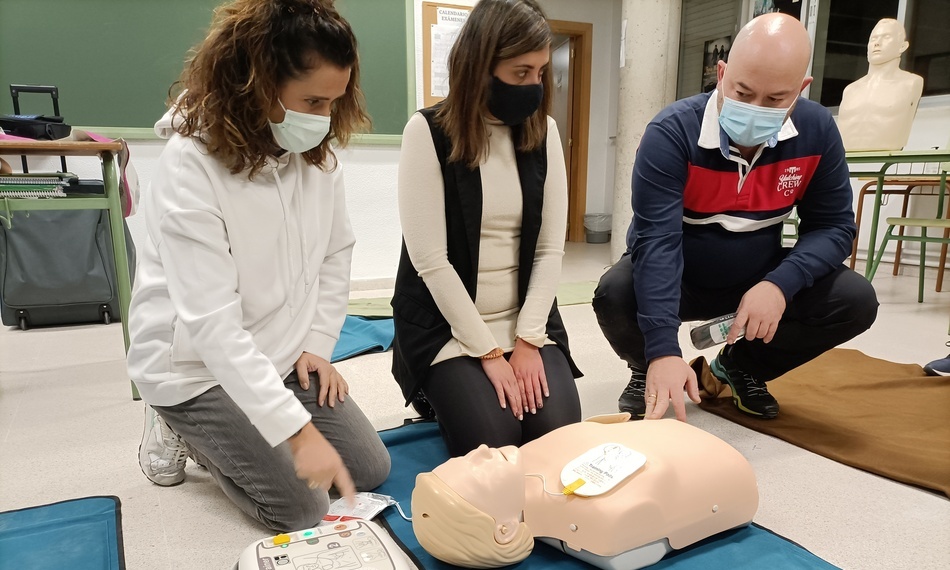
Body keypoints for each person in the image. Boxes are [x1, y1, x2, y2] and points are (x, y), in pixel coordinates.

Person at [126, 0, 390, 532]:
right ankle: (182, 430)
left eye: (334, 103)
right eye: (312, 101)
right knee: (299, 508)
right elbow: (213, 328)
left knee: (369, 468)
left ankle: (250, 425)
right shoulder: (189, 166)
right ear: (258, 83)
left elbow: (337, 251)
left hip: (280, 354)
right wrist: (294, 432)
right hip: (194, 369)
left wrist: (316, 341)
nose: (324, 119)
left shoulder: (316, 156)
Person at [592, 13, 878, 422]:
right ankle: (646, 369)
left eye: (775, 99)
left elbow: (834, 227)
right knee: (616, 292)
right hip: (682, 275)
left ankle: (742, 366)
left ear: (800, 90)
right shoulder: (672, 133)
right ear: (722, 74)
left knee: (854, 300)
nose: (754, 109)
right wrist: (661, 350)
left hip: (757, 276)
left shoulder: (818, 132)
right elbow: (657, 243)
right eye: (742, 92)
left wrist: (779, 285)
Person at [391, 0, 582, 457]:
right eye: (521, 73)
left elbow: (549, 250)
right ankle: (436, 394)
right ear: (480, 66)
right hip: (450, 327)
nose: (534, 85)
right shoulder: (427, 132)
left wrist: (529, 341)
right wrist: (490, 354)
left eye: (540, 72)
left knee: (556, 442)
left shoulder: (544, 133)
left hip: (524, 322)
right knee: (495, 446)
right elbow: (431, 262)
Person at [411, 414, 758, 569]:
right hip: (717, 463)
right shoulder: (595, 516)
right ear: (504, 529)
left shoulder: (527, 461)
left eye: (466, 457)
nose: (482, 450)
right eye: (476, 471)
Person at [837, 18, 923, 152]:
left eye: (886, 37)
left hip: (886, 160)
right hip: (843, 161)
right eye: (873, 39)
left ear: (902, 46)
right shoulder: (851, 89)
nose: (877, 43)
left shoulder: (911, 83)